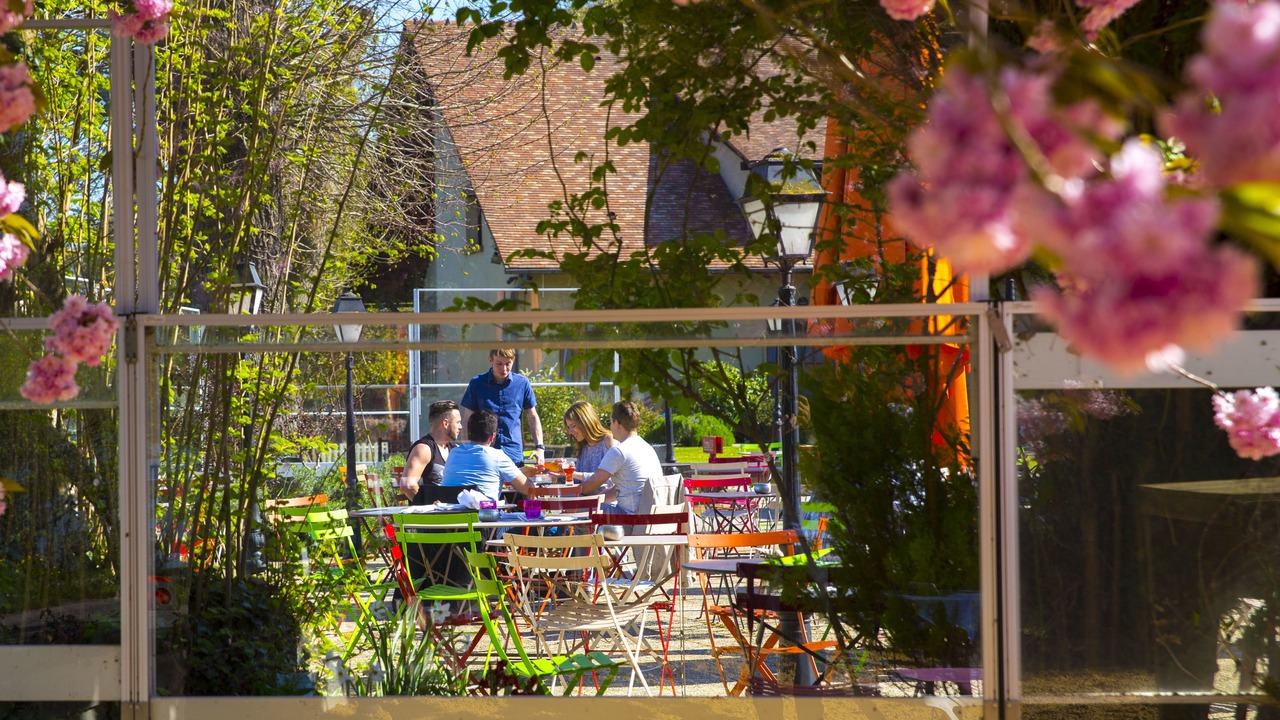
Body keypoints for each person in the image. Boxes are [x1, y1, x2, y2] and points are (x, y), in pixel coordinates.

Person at [460, 348, 545, 467]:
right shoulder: (477, 383)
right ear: (490, 360)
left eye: (507, 364)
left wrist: (540, 448)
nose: (504, 369)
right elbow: (467, 419)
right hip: (485, 452)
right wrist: (467, 447)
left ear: (513, 361)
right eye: (499, 364)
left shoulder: (522, 383)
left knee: (516, 485)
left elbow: (533, 417)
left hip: (513, 452)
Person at [579, 401, 664, 514]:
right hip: (652, 515)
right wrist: (596, 500)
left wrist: (571, 496)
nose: (610, 426)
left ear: (617, 423)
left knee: (579, 509)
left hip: (630, 518)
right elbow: (619, 489)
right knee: (590, 506)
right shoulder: (647, 448)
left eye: (610, 422)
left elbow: (590, 485)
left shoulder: (619, 451)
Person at [440, 410, 536, 502]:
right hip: (482, 516)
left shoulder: (453, 453)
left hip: (449, 514)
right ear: (492, 436)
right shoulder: (498, 456)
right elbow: (528, 489)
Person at [401, 399, 461, 505]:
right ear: (445, 423)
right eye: (458, 422)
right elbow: (408, 485)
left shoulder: (455, 449)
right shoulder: (423, 449)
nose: (460, 427)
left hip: (453, 513)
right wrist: (431, 508)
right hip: (430, 517)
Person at [563, 400, 615, 474]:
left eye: (573, 426)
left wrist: (573, 474)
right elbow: (578, 480)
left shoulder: (608, 441)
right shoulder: (584, 447)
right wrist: (564, 470)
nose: (570, 432)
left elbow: (613, 478)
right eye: (569, 427)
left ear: (585, 422)